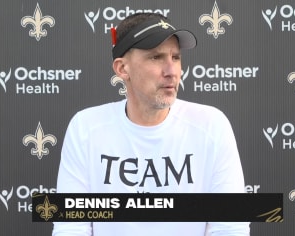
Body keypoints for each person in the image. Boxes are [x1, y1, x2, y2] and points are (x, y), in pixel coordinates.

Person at [52, 13, 250, 236]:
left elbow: (230, 227)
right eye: (156, 57)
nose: (171, 71)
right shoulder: (86, 128)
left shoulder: (211, 125)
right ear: (122, 68)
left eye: (175, 57)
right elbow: (71, 227)